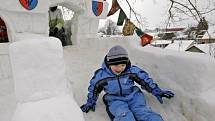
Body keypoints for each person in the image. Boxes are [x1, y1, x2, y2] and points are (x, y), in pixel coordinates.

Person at [80, 45, 174, 121]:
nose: (120, 68)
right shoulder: (102, 76)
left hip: (133, 96)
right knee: (123, 115)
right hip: (114, 99)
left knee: (143, 112)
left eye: (123, 65)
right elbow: (94, 88)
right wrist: (91, 101)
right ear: (109, 64)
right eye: (116, 65)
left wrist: (156, 90)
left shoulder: (131, 71)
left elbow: (144, 79)